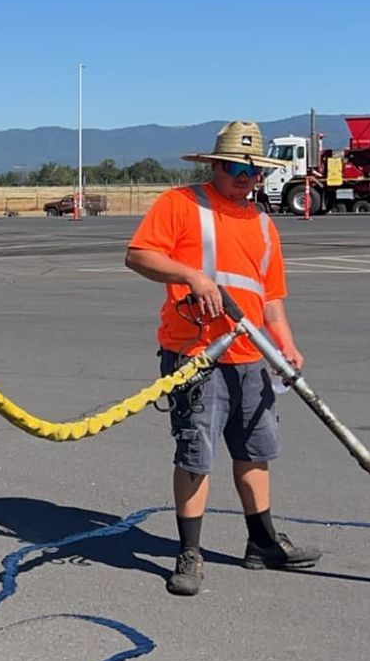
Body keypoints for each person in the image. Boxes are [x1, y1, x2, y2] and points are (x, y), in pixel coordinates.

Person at [125, 120, 321, 596]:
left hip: (251, 355)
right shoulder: (180, 205)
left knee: (256, 451)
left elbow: (270, 297)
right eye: (235, 167)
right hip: (197, 354)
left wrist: (286, 345)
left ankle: (263, 542)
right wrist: (193, 276)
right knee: (196, 454)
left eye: (254, 171)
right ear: (214, 164)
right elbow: (138, 255)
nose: (244, 178)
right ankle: (189, 551)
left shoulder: (262, 223)